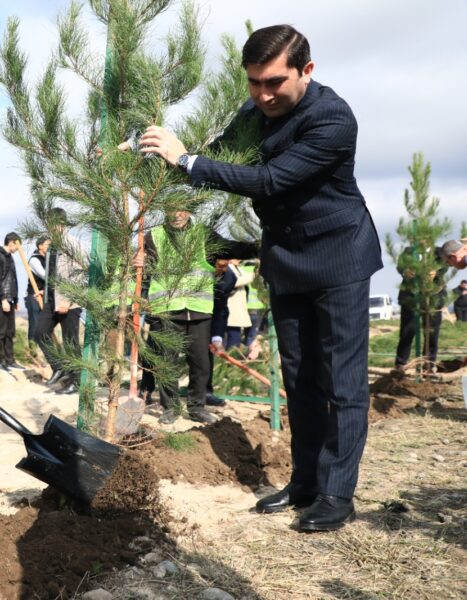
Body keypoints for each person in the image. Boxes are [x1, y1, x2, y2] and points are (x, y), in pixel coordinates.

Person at [136, 25, 382, 531]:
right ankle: (306, 483)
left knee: (342, 380)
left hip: (339, 258)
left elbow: (269, 179)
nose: (264, 94)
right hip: (287, 260)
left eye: (274, 82)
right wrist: (149, 157)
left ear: (306, 71)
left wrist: (186, 158)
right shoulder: (255, 112)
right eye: (254, 83)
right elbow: (221, 159)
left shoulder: (332, 117)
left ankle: (337, 494)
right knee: (299, 377)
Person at [138, 211, 257, 425]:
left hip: (199, 310)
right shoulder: (153, 237)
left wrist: (258, 246)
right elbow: (143, 273)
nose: (177, 214)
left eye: (182, 209)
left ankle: (196, 407)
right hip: (166, 310)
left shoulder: (204, 235)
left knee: (201, 363)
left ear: (188, 210)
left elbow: (232, 248)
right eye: (172, 209)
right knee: (167, 363)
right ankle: (171, 408)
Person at [35, 208, 84, 395]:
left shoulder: (73, 244)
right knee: (40, 332)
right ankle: (59, 367)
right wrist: (45, 290)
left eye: (54, 223)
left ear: (62, 224)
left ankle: (76, 381)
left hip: (69, 303)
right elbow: (54, 273)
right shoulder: (53, 245)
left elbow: (80, 275)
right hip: (52, 298)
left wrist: (69, 300)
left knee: (71, 342)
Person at [394, 247, 449, 372]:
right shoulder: (408, 251)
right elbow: (400, 266)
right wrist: (405, 271)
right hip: (411, 298)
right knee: (407, 331)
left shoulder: (438, 252)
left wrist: (437, 271)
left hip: (433, 298)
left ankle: (428, 365)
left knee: (432, 334)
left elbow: (446, 265)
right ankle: (400, 364)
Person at [0, 232, 23, 372]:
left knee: (10, 332)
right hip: (2, 301)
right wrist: (3, 299)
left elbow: (13, 280)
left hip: (10, 300)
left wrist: (15, 299)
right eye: (18, 244)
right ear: (12, 242)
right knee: (0, 332)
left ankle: (9, 361)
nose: (18, 248)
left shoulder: (9, 258)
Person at [24, 236, 50, 343]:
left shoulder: (48, 258)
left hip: (45, 294)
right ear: (40, 246)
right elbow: (45, 276)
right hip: (34, 295)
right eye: (47, 245)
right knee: (34, 323)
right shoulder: (34, 259)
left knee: (46, 324)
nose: (50, 247)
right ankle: (32, 350)